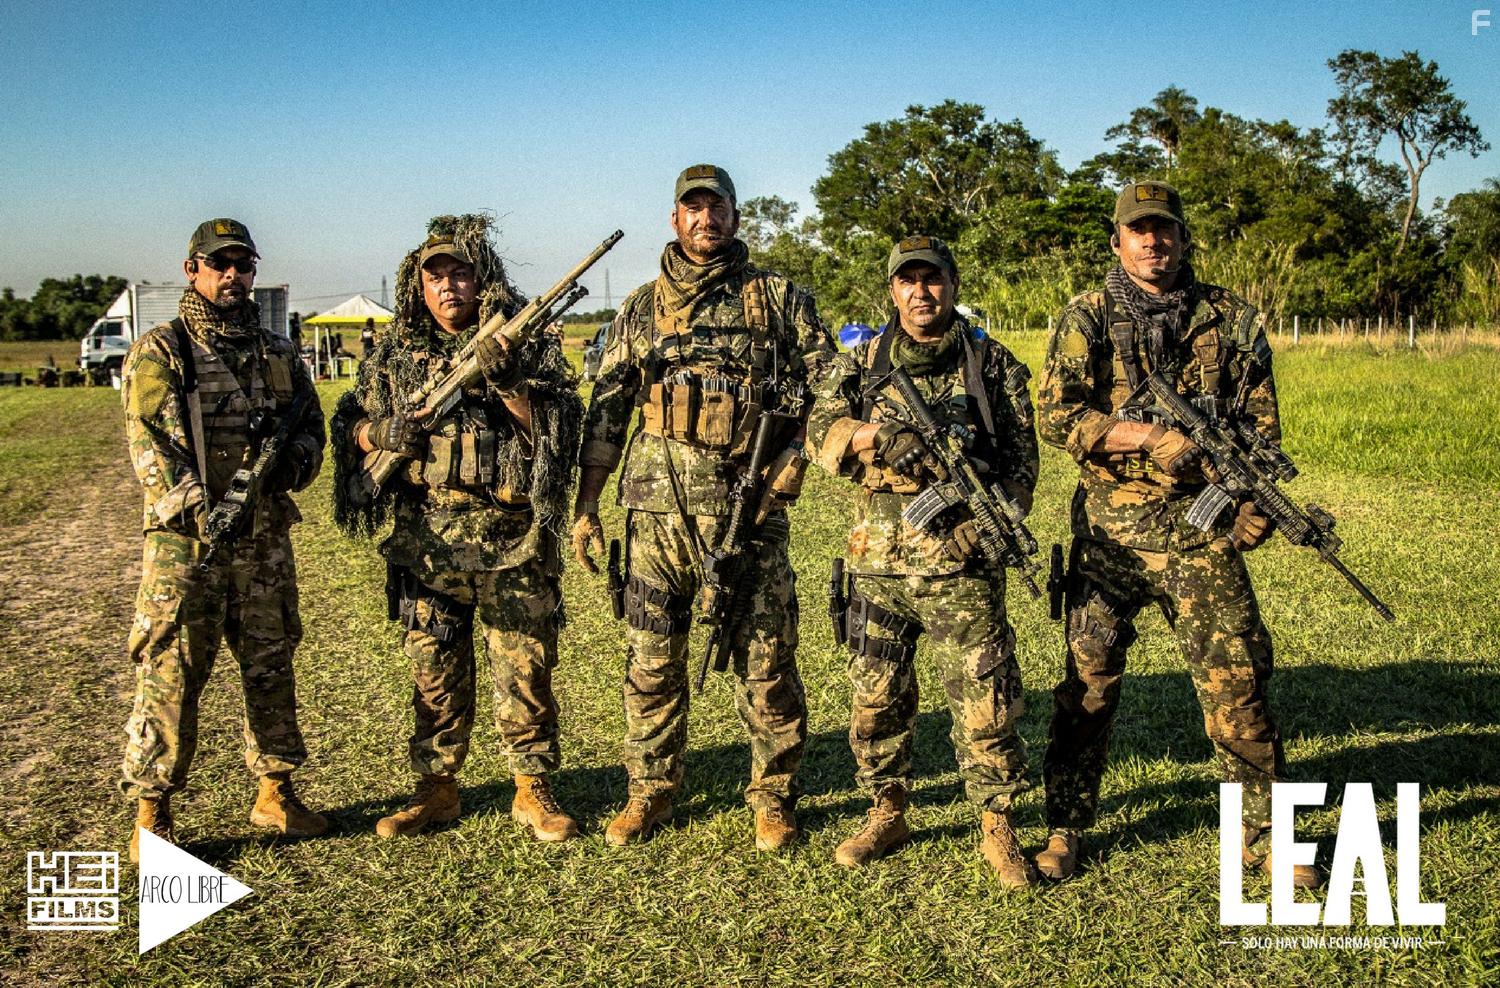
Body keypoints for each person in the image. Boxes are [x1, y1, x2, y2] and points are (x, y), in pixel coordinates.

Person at [1035, 181, 1319, 887]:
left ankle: (1265, 837)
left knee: (1239, 681)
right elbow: (1058, 418)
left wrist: (1246, 502)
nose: (1152, 241)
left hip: (1202, 534)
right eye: (1139, 230)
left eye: (1164, 230)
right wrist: (1146, 437)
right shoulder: (1086, 316)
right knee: (1089, 685)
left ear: (1183, 238)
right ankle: (1066, 826)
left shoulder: (1232, 318)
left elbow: (1258, 429)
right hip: (1111, 534)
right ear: (1117, 240)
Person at [572, 164, 833, 850]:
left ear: (735, 216)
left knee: (767, 663)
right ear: (674, 218)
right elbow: (606, 411)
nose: (704, 218)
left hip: (750, 517)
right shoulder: (638, 308)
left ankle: (773, 797)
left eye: (716, 206)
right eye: (692, 207)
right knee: (651, 662)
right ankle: (651, 790)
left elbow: (835, 390)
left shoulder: (779, 300)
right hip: (655, 517)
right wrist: (587, 504)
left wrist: (791, 469)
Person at [331, 214, 583, 842]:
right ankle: (436, 790)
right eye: (434, 276)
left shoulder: (526, 347)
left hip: (513, 540)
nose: (448, 286)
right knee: (434, 673)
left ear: (481, 278)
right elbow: (346, 428)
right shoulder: (391, 357)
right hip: (429, 545)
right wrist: (377, 434)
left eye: (460, 273)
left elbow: (559, 428)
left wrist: (507, 384)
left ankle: (532, 788)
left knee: (525, 673)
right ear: (417, 285)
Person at [806, 236, 1040, 885]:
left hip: (962, 560)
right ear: (892, 290)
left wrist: (996, 523)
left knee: (985, 694)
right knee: (875, 694)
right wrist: (880, 434)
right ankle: (887, 810)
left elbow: (1024, 465)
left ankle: (998, 823)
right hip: (878, 559)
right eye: (907, 280)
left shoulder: (992, 364)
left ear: (952, 281)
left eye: (931, 278)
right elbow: (818, 434)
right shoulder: (859, 360)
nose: (920, 292)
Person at [119, 218, 327, 862]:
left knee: (271, 662)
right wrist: (198, 510)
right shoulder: (163, 350)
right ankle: (153, 810)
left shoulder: (281, 354)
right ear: (193, 270)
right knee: (171, 671)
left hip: (263, 539)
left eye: (243, 264)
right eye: (219, 265)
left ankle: (275, 790)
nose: (232, 275)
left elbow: (312, 430)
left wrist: (294, 460)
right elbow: (148, 444)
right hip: (187, 546)